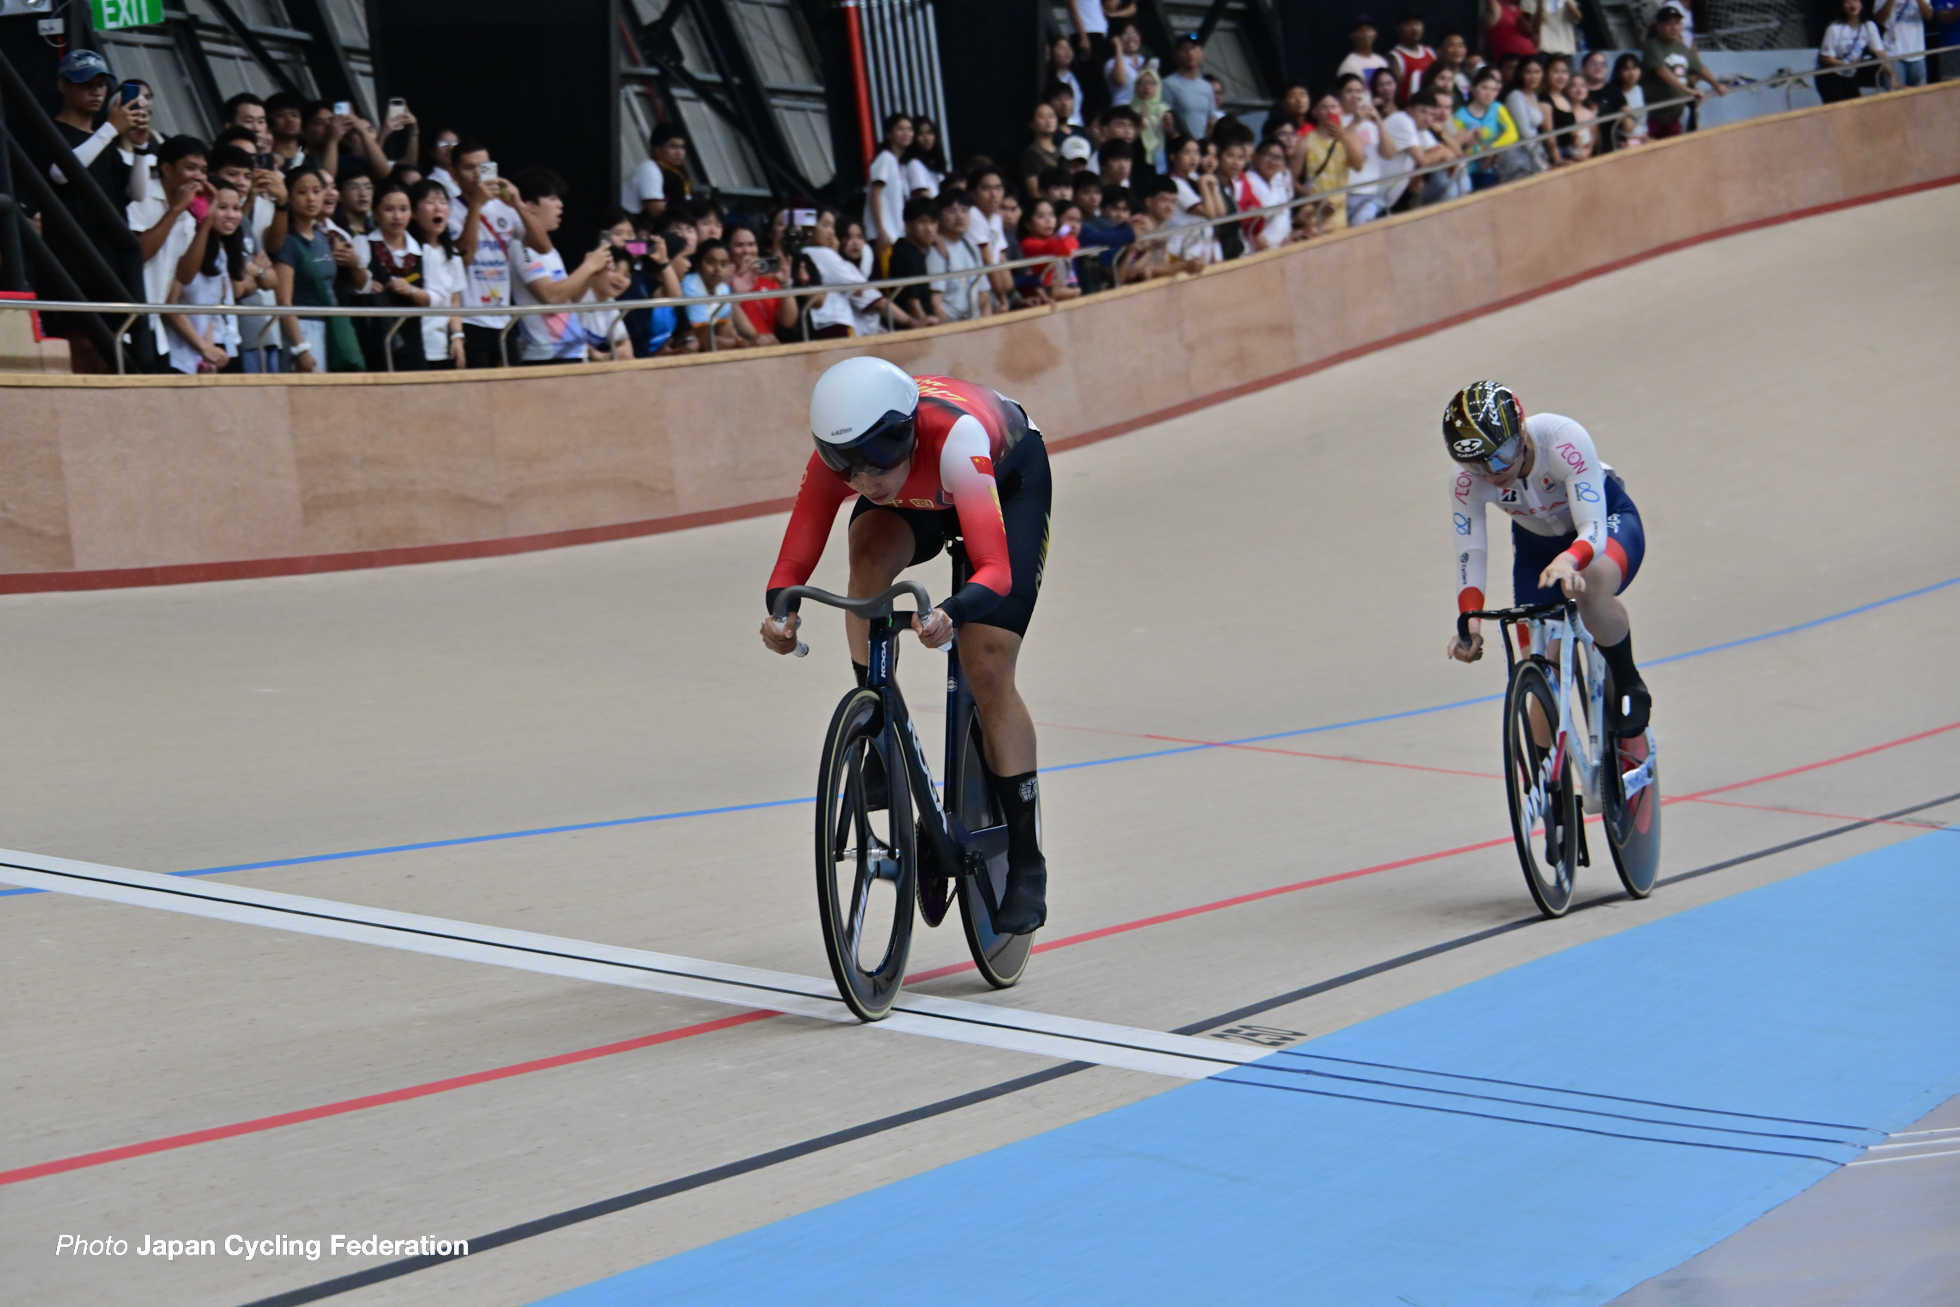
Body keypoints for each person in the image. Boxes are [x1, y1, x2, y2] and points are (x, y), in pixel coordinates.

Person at [761, 358, 1056, 934]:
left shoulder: (955, 438)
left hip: (1004, 482)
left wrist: (953, 611)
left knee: (987, 662)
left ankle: (1026, 862)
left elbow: (994, 568)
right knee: (866, 562)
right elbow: (795, 554)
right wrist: (780, 612)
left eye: (878, 459)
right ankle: (876, 732)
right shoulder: (855, 462)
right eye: (848, 466)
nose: (866, 480)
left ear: (906, 432)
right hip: (919, 495)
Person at [1443, 381, 1651, 740]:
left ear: (1521, 431)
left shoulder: (1562, 438)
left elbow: (1592, 529)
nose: (1491, 473)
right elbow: (1471, 551)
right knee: (1539, 670)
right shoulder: (1467, 480)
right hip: (1536, 551)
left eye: (1499, 455)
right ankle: (1543, 786)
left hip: (1605, 526)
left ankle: (1630, 682)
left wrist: (1570, 559)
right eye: (1475, 464)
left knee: (1590, 587)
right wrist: (1470, 620)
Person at [452, 142, 551, 367]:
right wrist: (475, 205)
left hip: (502, 318)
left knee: (513, 391)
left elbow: (543, 246)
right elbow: (465, 256)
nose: (478, 174)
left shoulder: (504, 208)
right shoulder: (450, 209)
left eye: (484, 166)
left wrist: (517, 204)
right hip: (470, 319)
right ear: (455, 173)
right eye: (469, 168)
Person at [509, 167, 621, 364]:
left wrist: (592, 274)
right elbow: (551, 297)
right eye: (552, 198)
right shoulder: (522, 246)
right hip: (546, 355)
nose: (560, 205)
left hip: (572, 351)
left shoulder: (550, 250)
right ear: (529, 206)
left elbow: (570, 298)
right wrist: (588, 266)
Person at [130, 136, 213, 364]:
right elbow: (138, 255)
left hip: (155, 327)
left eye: (203, 170)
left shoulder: (188, 213)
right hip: (128, 321)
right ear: (166, 168)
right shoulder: (141, 196)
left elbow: (185, 275)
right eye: (190, 168)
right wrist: (175, 210)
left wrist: (207, 220)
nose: (199, 177)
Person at [163, 181, 244, 373]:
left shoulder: (221, 252)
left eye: (236, 208)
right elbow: (170, 305)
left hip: (205, 355)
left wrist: (208, 355)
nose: (231, 215)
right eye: (222, 207)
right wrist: (203, 347)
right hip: (177, 356)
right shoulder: (186, 239)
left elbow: (209, 312)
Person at [348, 182, 428, 370]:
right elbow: (358, 287)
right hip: (373, 339)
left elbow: (434, 298)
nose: (397, 216)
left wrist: (411, 290)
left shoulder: (421, 250)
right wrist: (360, 274)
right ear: (375, 213)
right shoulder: (363, 243)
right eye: (389, 209)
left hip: (412, 339)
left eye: (403, 209)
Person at [273, 169, 338, 372]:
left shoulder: (321, 236)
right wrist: (300, 348)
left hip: (328, 326)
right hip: (303, 329)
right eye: (302, 192)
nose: (311, 198)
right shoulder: (288, 242)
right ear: (290, 197)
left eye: (316, 191)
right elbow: (284, 301)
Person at [406, 178, 466, 368]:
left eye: (443, 202)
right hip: (414, 345)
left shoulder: (452, 256)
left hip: (442, 347)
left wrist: (457, 337)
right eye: (430, 203)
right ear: (414, 212)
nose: (438, 208)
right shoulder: (411, 251)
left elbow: (454, 300)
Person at [1643, 5, 1727, 135]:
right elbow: (1662, 72)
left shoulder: (1682, 48)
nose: (1674, 28)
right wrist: (1688, 91)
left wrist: (1716, 85)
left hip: (1675, 115)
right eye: (1669, 24)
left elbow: (1698, 67)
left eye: (1677, 24)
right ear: (1658, 27)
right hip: (1653, 116)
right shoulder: (1652, 47)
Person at [1300, 91, 1364, 231]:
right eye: (1324, 107)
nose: (1330, 111)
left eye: (1334, 106)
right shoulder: (1305, 142)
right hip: (1315, 211)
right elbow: (1293, 178)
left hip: (1339, 213)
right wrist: (1315, 201)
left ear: (1340, 110)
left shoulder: (1350, 138)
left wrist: (1343, 137)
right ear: (1315, 112)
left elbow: (1358, 165)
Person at [928, 189, 991, 320]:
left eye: (964, 210)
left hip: (974, 322)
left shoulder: (972, 248)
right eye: (951, 211)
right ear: (939, 215)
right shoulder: (937, 251)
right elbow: (936, 304)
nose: (959, 216)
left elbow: (983, 294)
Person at [1338, 74, 1391, 225]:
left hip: (1370, 192)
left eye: (1359, 91)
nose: (1355, 95)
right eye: (1349, 91)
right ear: (1340, 95)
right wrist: (1356, 121)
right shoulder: (1337, 121)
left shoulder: (1371, 123)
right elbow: (1337, 147)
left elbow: (1389, 153)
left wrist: (1378, 121)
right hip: (1346, 193)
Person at [1455, 67, 1519, 189]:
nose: (1489, 94)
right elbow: (1457, 146)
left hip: (1488, 170)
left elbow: (1512, 134)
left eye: (1494, 90)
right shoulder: (1460, 115)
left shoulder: (1497, 108)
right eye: (1484, 88)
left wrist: (1491, 149)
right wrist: (1481, 151)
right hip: (1466, 171)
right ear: (1473, 88)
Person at [1818, 0, 1895, 100]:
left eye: (1855, 1)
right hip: (1831, 75)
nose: (1852, 5)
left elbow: (1879, 52)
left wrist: (1891, 75)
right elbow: (1825, 57)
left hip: (1849, 74)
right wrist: (1842, 64)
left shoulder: (1868, 27)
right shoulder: (1835, 29)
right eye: (1847, 2)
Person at [865, 112, 914, 268]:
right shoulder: (885, 158)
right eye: (900, 129)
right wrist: (880, 230)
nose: (906, 133)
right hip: (883, 236)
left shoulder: (898, 164)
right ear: (889, 134)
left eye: (909, 129)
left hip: (896, 236)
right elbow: (875, 194)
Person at [887, 196, 944, 326]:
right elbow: (912, 301)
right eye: (922, 222)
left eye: (933, 222)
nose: (929, 229)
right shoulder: (905, 254)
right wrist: (925, 326)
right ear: (907, 226)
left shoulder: (919, 252)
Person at [726, 223, 787, 343]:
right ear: (728, 249)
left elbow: (788, 321)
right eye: (739, 245)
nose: (747, 251)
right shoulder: (722, 279)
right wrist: (739, 278)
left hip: (770, 343)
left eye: (751, 244)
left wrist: (786, 284)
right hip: (740, 345)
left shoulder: (769, 278)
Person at [622, 123, 692, 220]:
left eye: (682, 147)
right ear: (657, 149)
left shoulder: (677, 172)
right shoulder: (649, 169)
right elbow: (657, 214)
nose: (679, 153)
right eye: (673, 147)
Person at [1239, 135, 1297, 247]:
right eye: (1268, 155)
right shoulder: (1248, 181)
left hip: (1285, 246)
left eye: (1278, 157)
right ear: (1255, 157)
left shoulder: (1278, 180)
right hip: (1260, 251)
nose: (1273, 161)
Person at [1503, 57, 1554, 176]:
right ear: (1521, 74)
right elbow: (1525, 132)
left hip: (1534, 153)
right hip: (1519, 156)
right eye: (1528, 72)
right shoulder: (1515, 97)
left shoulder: (1534, 96)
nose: (1533, 76)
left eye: (1537, 72)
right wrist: (1542, 161)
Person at [1161, 37, 1217, 141]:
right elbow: (1165, 116)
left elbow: (1211, 118)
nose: (1190, 53)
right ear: (1176, 55)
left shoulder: (1207, 86)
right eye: (1185, 49)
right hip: (1180, 144)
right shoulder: (1168, 84)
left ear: (1202, 53)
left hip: (1202, 146)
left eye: (1193, 48)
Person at [1596, 54, 1651, 152]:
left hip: (1642, 138)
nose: (1632, 73)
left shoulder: (1641, 90)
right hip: (1623, 143)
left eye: (1635, 68)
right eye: (1626, 69)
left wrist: (1644, 137)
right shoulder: (1613, 94)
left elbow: (1643, 122)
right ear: (1618, 72)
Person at [1390, 14, 1438, 105]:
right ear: (1399, 29)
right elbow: (1393, 93)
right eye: (1409, 24)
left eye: (1417, 24)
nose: (1415, 28)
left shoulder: (1430, 52)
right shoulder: (1395, 57)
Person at [1879, 0, 1931, 85]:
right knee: (1895, 95)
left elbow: (1928, 16)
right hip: (1894, 54)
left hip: (1918, 52)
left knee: (1920, 96)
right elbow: (1879, 19)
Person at [1019, 102, 1063, 200]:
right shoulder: (1031, 153)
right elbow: (1034, 190)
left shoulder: (1062, 151)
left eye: (1051, 116)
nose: (1048, 121)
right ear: (1032, 124)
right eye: (1042, 117)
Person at [1422, 31, 1475, 105]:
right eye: (1451, 46)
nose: (1457, 50)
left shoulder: (1471, 75)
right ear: (1439, 51)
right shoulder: (1434, 74)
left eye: (1460, 45)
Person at [1105, 19, 1147, 105]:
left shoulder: (1144, 60)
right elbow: (1120, 80)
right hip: (1123, 109)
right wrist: (1118, 47)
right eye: (1126, 35)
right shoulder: (1112, 63)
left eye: (1135, 34)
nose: (1131, 38)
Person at [904, 118, 949, 198]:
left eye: (930, 133)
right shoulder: (914, 164)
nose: (927, 138)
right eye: (920, 134)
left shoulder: (934, 163)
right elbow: (924, 195)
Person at [1339, 14, 1392, 80]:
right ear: (1352, 35)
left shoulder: (1381, 62)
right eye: (1361, 30)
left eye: (1369, 29)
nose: (1365, 34)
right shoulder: (1349, 65)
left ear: (1375, 33)